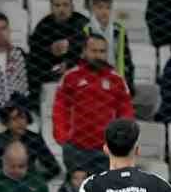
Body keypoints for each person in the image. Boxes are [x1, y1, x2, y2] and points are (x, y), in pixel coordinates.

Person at [52, 34, 134, 175]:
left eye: (102, 51)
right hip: (76, 148)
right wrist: (63, 138)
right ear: (84, 51)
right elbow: (60, 109)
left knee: (105, 187)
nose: (98, 55)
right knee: (79, 186)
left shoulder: (117, 80)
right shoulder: (70, 77)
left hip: (106, 149)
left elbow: (126, 113)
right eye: (94, 51)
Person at [29, 0, 89, 88]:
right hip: (51, 75)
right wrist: (50, 50)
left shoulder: (83, 23)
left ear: (72, 6)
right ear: (51, 8)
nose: (61, 9)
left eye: (65, 5)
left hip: (80, 72)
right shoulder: (43, 26)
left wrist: (69, 59)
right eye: (57, 5)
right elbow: (35, 54)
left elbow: (92, 46)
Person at [0, 104, 60, 181]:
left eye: (22, 118)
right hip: (3, 180)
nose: (20, 122)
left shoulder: (34, 139)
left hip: (27, 180)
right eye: (14, 119)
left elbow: (54, 167)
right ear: (6, 123)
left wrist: (38, 180)